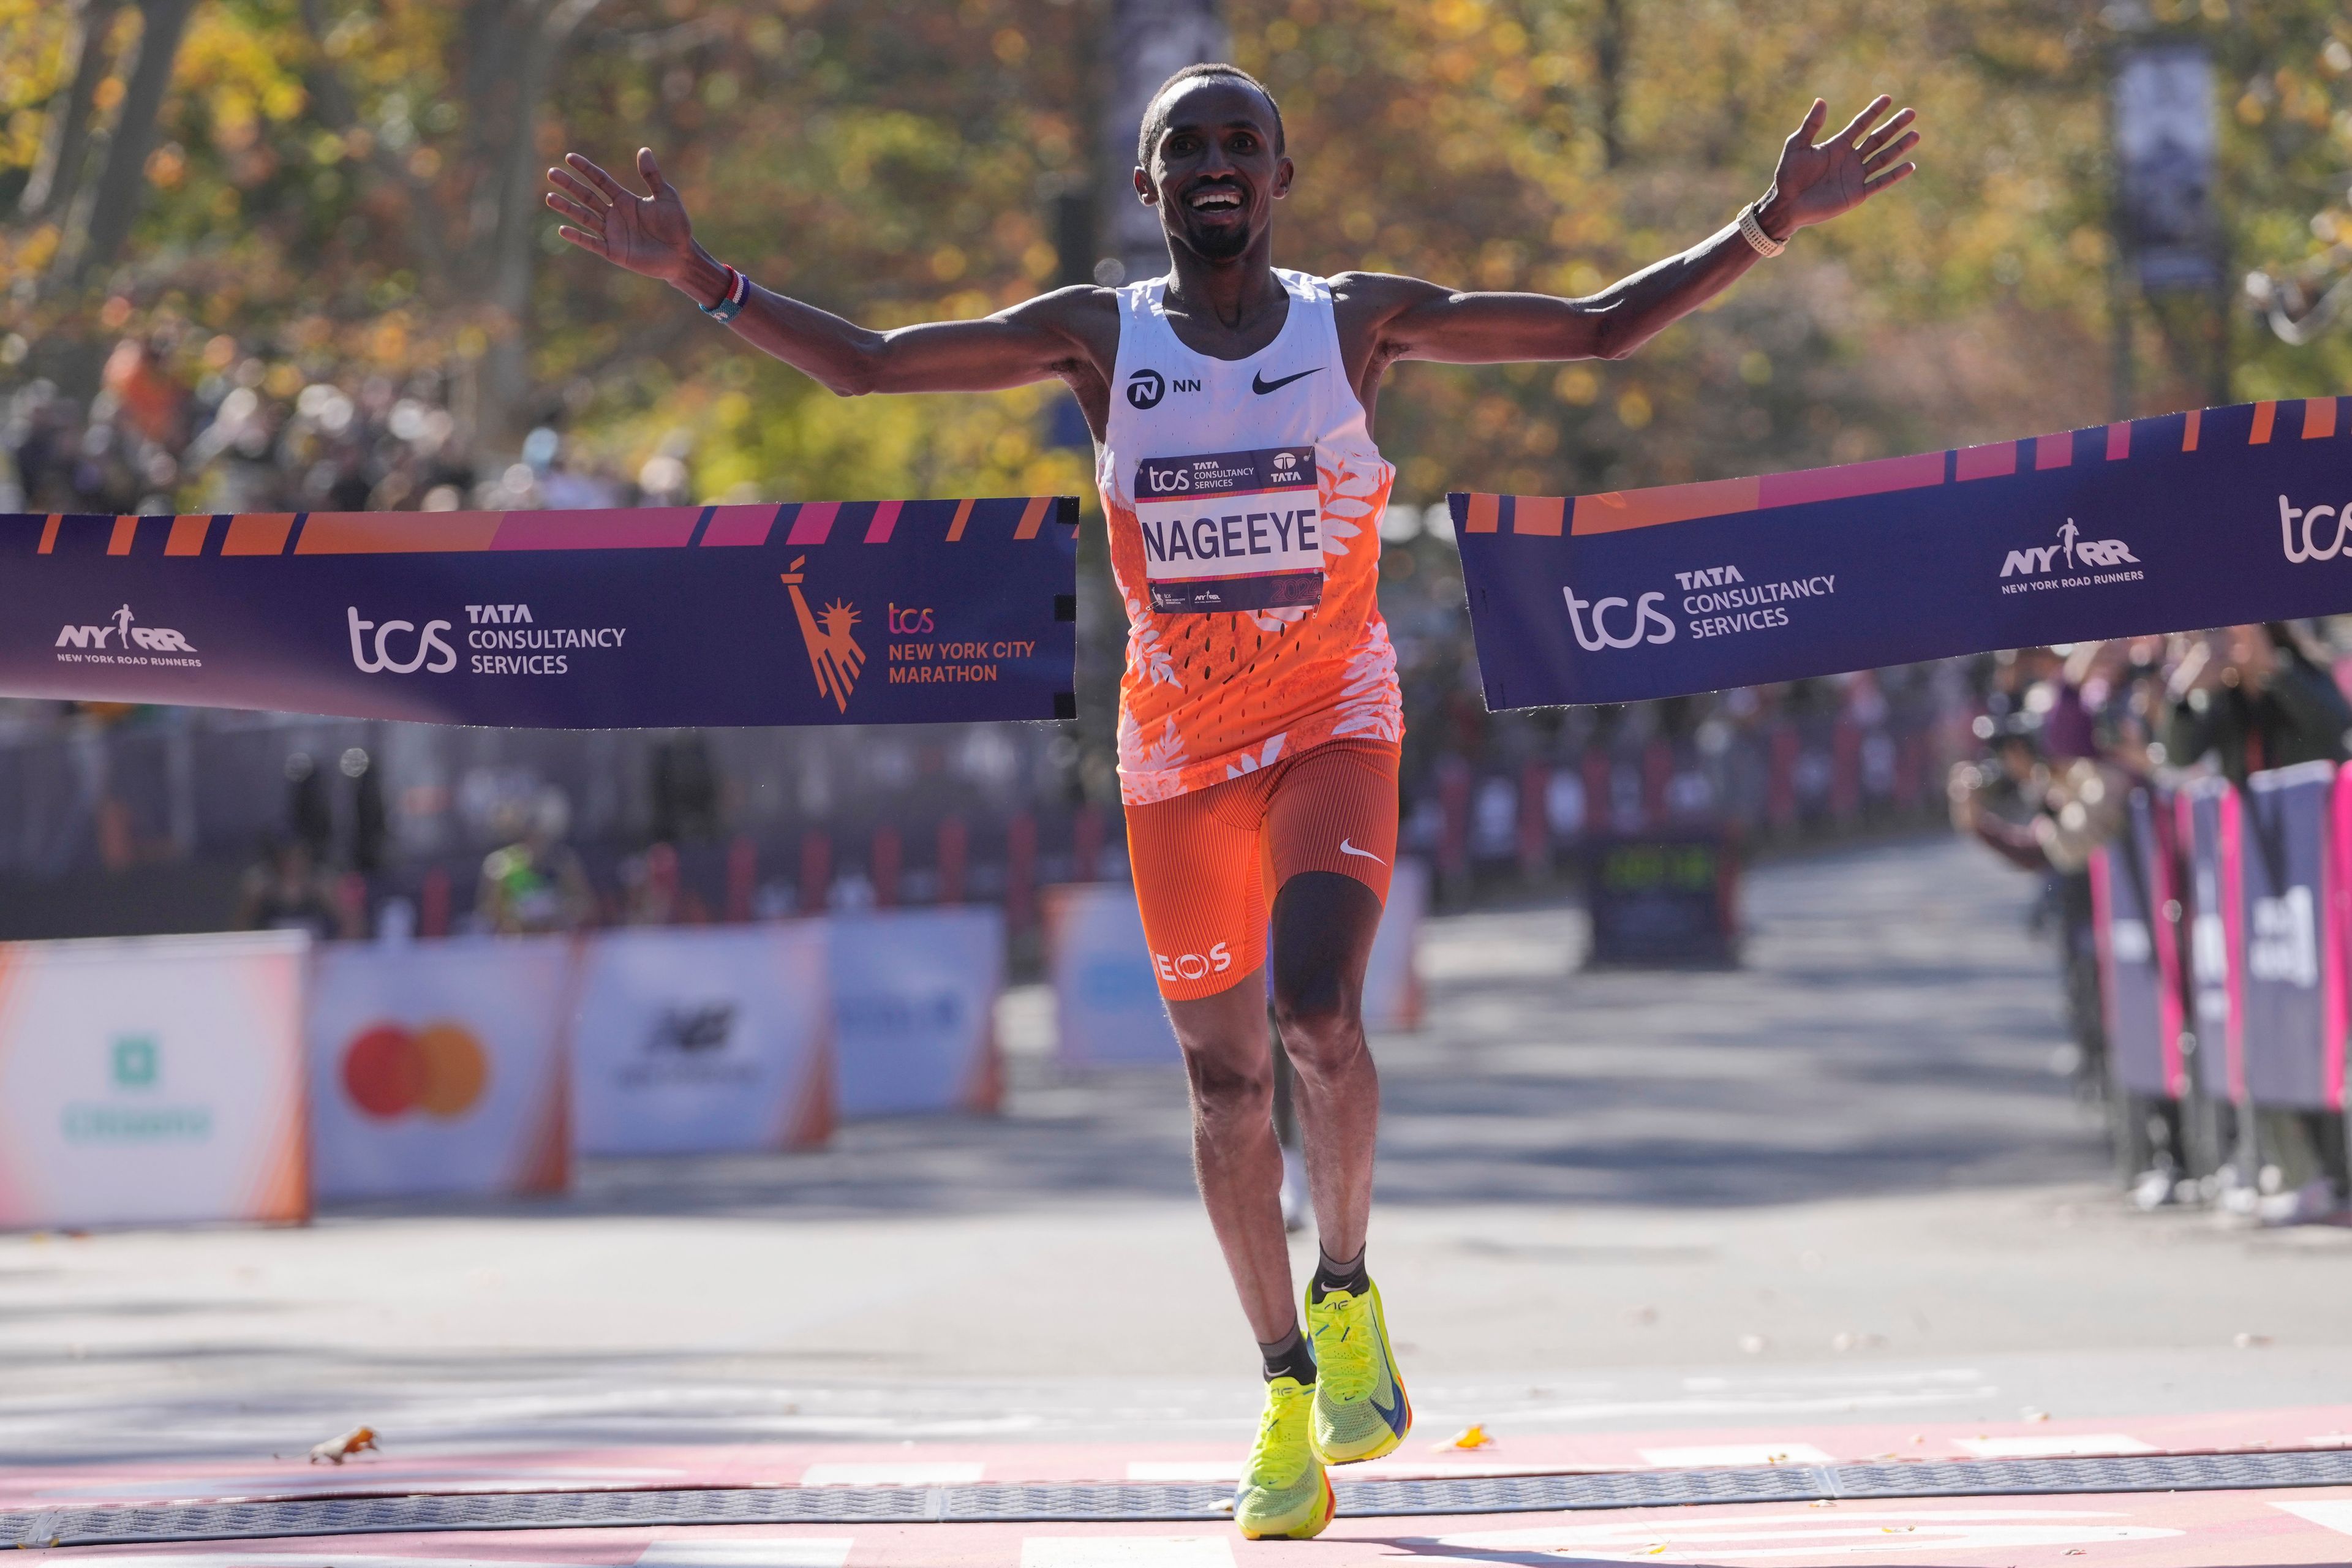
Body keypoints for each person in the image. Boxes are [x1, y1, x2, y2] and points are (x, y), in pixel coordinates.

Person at [547, 66, 1919, 1540]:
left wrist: (1768, 223)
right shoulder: (1099, 334)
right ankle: (1280, 1388)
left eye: (1239, 145)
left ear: (1280, 176)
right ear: (1148, 190)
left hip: (1334, 717)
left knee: (1321, 1011)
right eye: (1184, 148)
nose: (1213, 165)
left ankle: (1344, 1292)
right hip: (1176, 756)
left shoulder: (1357, 321)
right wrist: (698, 275)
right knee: (1225, 1091)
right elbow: (873, 366)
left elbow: (1595, 327)